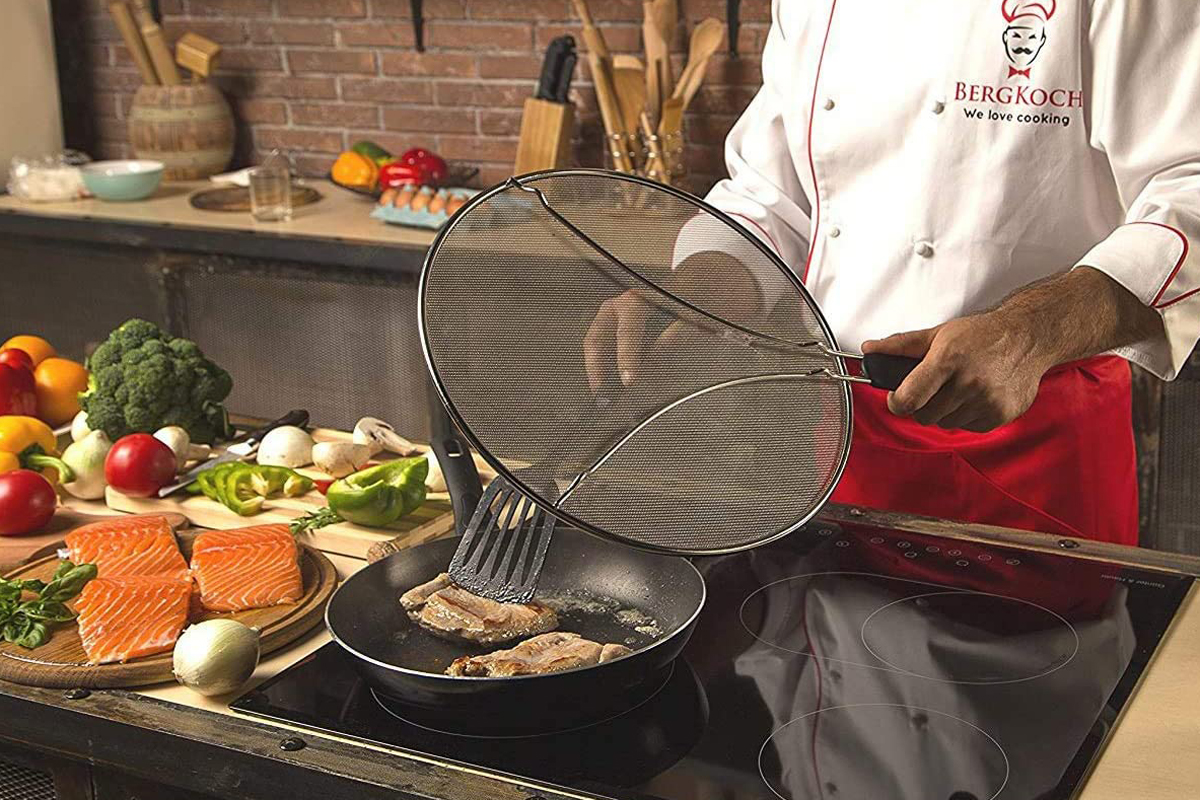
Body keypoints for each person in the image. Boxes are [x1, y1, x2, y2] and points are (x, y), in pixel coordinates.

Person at [584, 0, 1200, 546]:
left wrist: (1027, 334)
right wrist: (699, 290)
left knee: (1045, 641)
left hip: (1030, 449)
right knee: (832, 625)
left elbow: (1189, 189)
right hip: (846, 434)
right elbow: (772, 194)